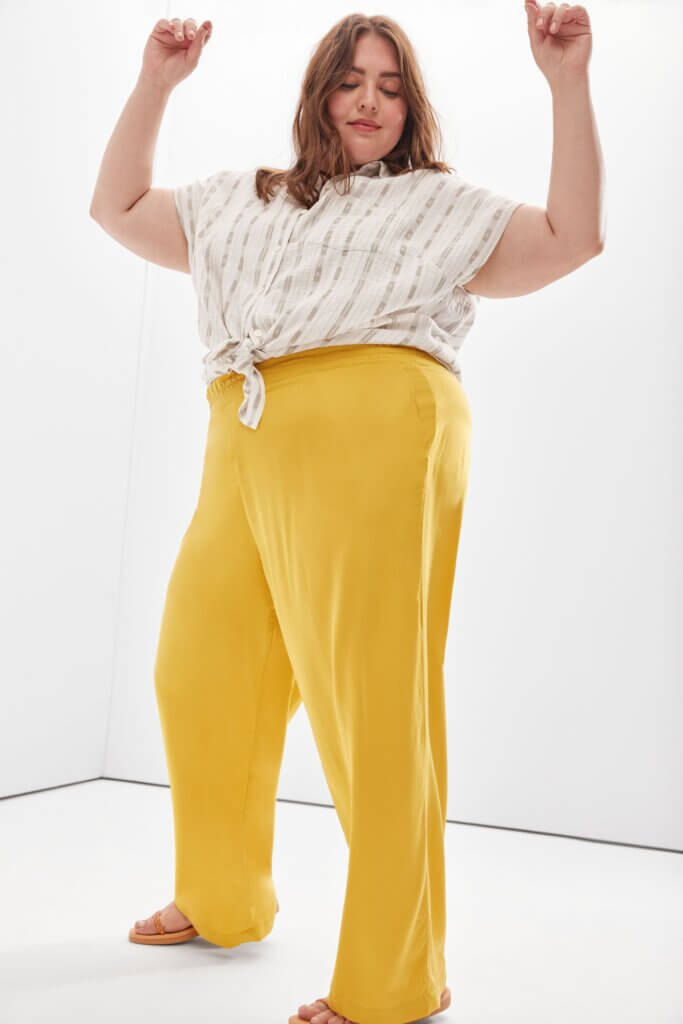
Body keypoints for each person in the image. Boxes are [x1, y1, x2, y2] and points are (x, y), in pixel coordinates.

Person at [89, 9, 601, 1024]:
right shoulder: (245, 200)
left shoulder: (434, 206)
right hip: (244, 433)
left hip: (381, 430)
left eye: (389, 84)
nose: (367, 99)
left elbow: (569, 239)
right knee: (200, 670)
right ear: (318, 94)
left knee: (370, 706)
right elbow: (117, 207)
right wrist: (156, 84)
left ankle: (394, 978)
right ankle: (224, 897)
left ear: (409, 107)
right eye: (348, 80)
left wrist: (565, 84)